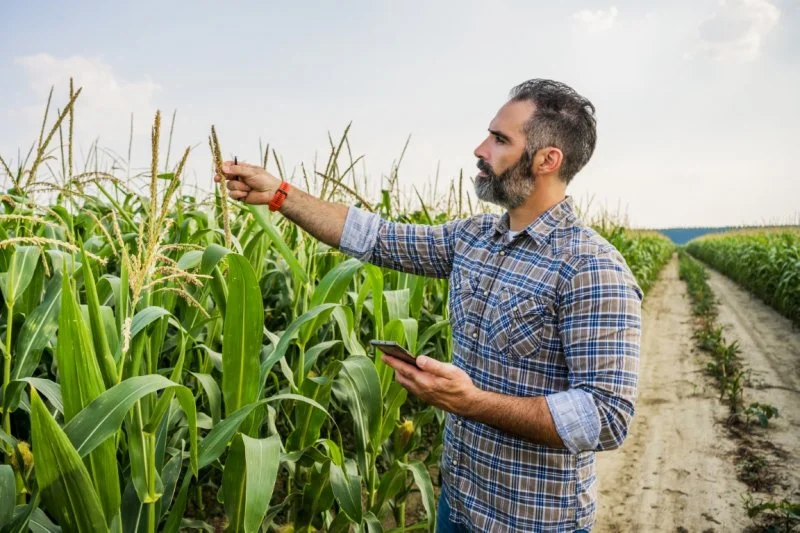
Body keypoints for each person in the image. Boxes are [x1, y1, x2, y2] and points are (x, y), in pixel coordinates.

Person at [215, 78, 643, 532]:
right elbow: (376, 236)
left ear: (547, 159)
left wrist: (471, 402)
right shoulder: (473, 239)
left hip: (532, 521)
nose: (480, 148)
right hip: (457, 505)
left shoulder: (591, 268)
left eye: (500, 139)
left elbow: (606, 416)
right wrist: (279, 194)